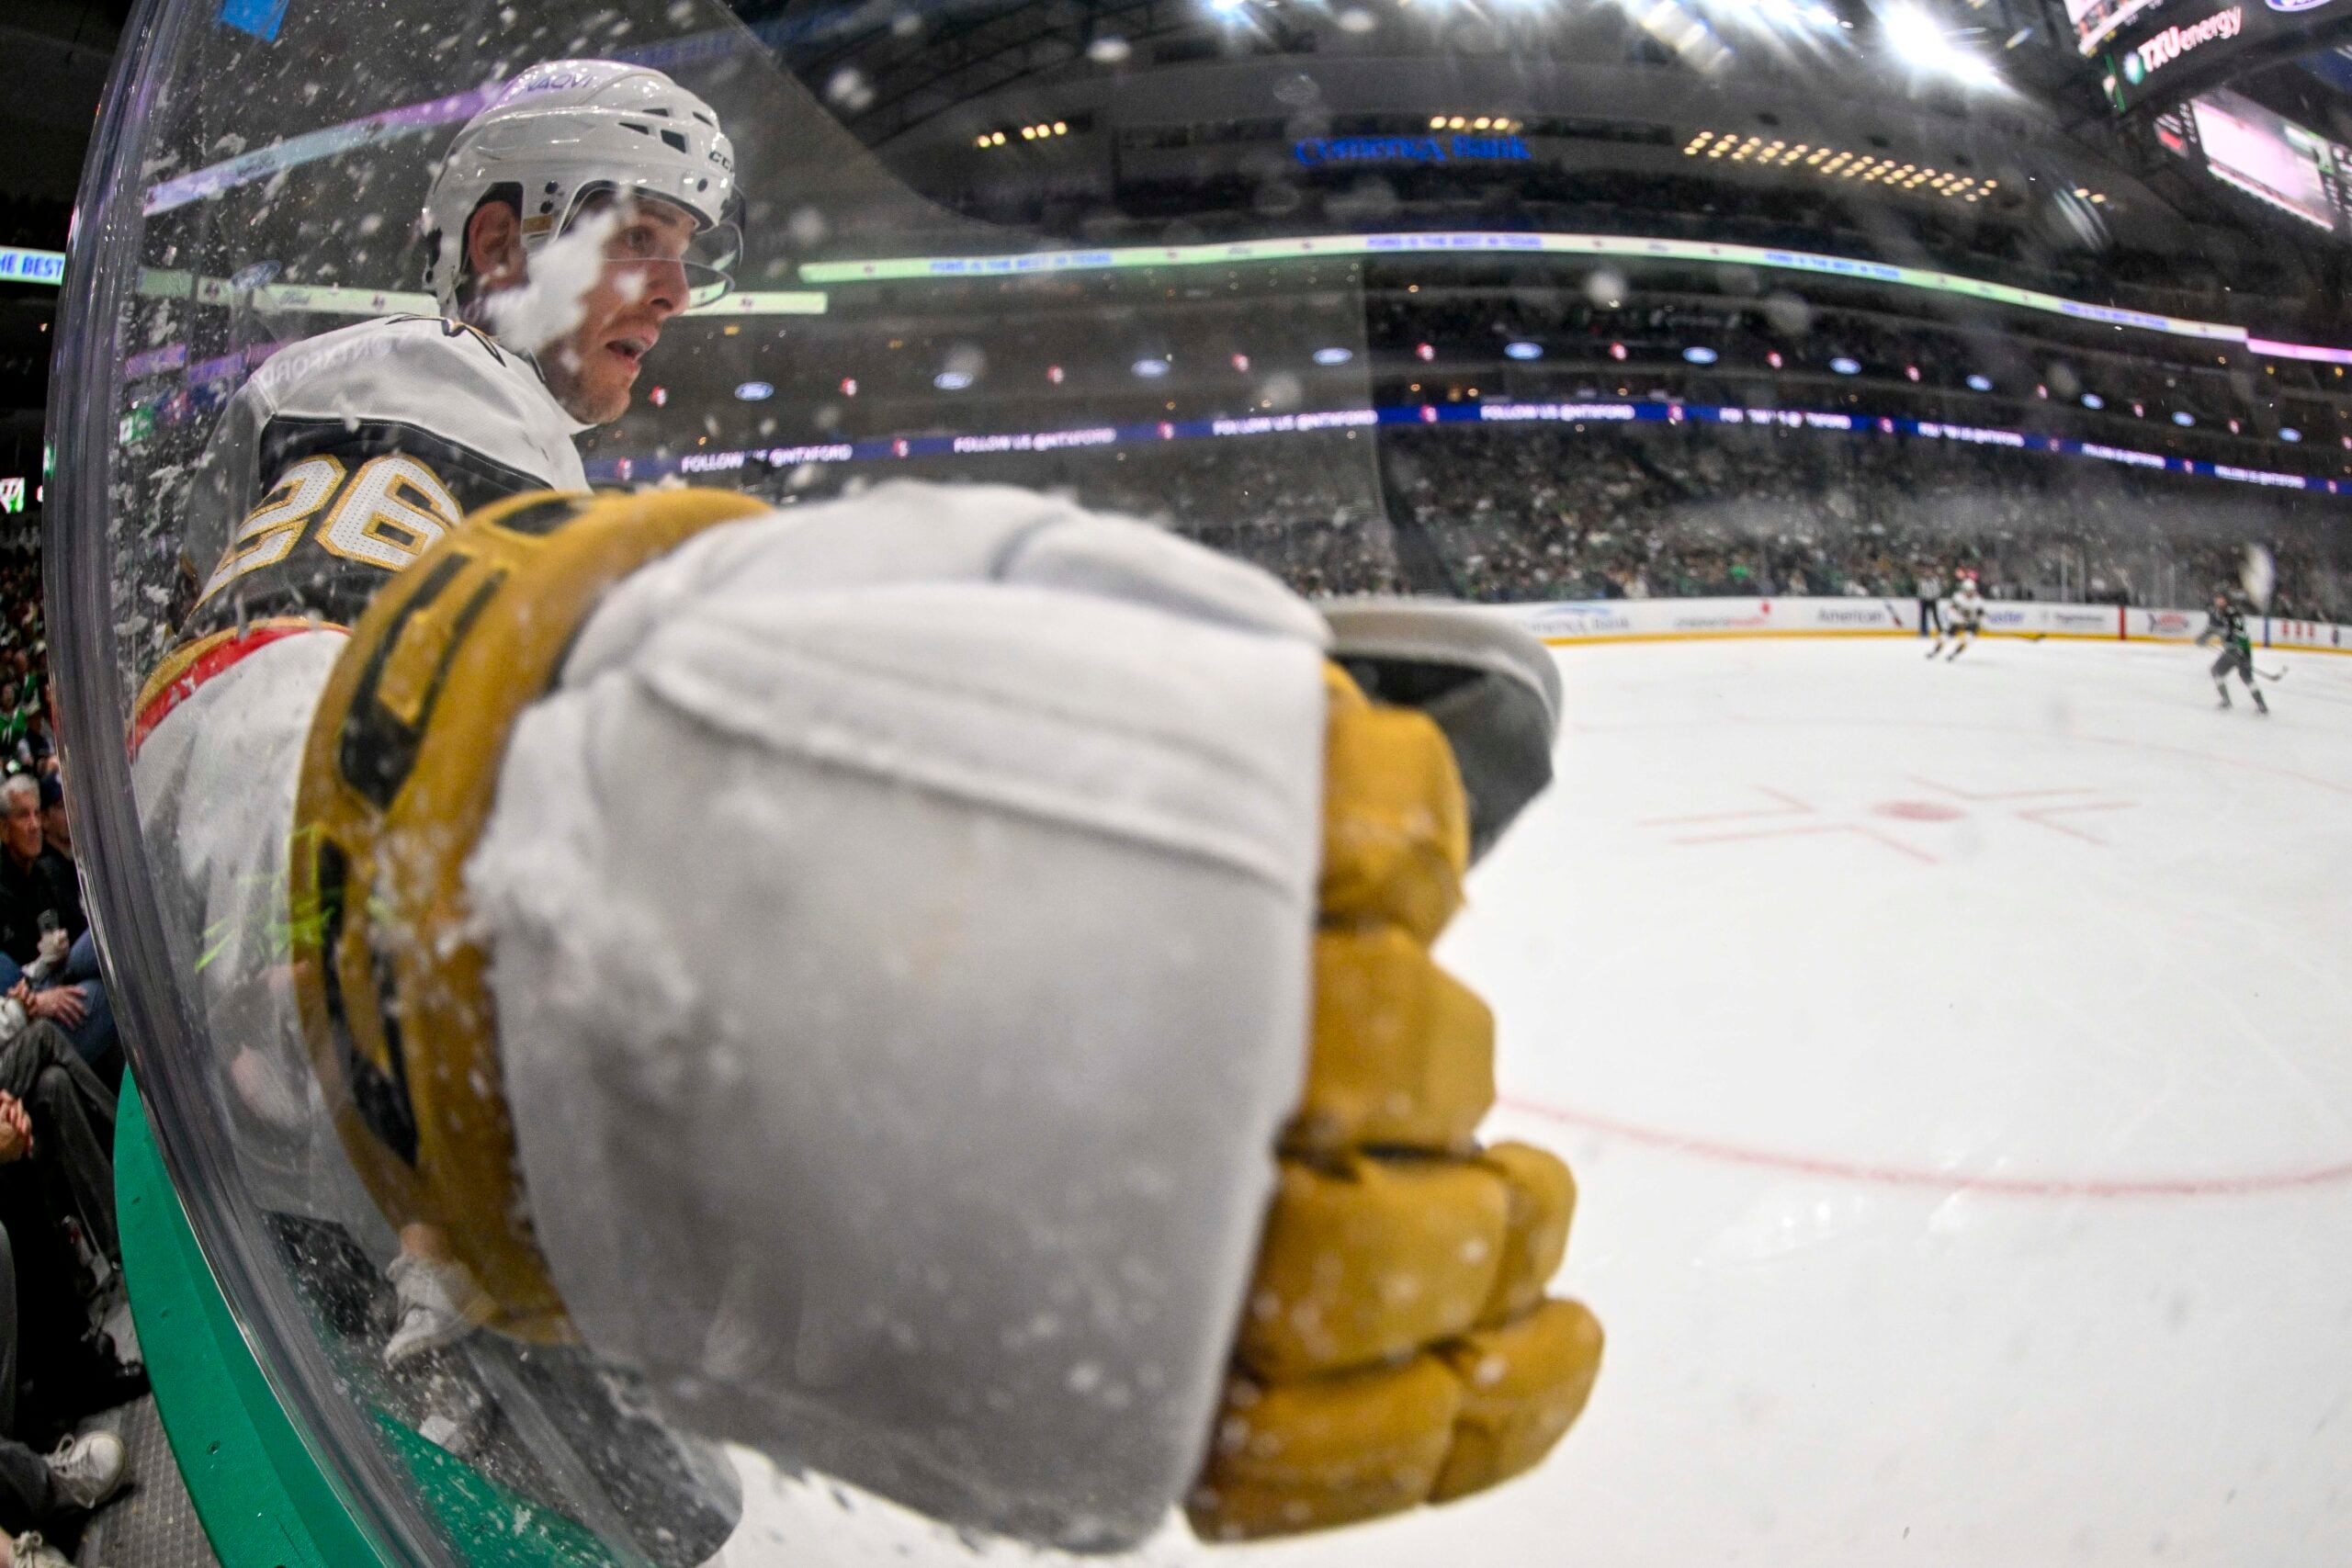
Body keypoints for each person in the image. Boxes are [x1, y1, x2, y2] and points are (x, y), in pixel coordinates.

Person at [130, 61, 1599, 1558]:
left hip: (284, 1178)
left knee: (663, 1492)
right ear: (501, 244)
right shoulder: (421, 389)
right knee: (658, 1502)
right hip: (328, 1181)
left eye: (691, 251)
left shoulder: (393, 428)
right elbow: (265, 724)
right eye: (640, 236)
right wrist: (518, 987)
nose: (674, 286)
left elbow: (230, 705)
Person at [2199, 591, 2268, 713]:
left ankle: (2261, 704)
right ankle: (2227, 700)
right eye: (2217, 599)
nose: (2219, 601)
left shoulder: (2234, 614)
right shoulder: (2215, 614)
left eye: (2222, 599)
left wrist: (2244, 653)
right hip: (2230, 650)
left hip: (2239, 650)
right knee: (2216, 671)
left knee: (2246, 677)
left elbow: (2241, 633)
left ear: (2227, 600)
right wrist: (2202, 639)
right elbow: (2211, 630)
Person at [1929, 570, 1984, 661]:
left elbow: (1981, 614)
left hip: (1972, 623)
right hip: (1958, 621)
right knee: (1944, 637)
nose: (1970, 593)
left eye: (1972, 590)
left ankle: (1954, 654)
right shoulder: (1958, 597)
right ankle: (1935, 651)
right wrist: (1959, 620)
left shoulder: (1978, 600)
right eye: (1968, 591)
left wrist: (1978, 621)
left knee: (1968, 639)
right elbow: (1951, 610)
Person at [1917, 565, 1943, 637]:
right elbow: (1920, 590)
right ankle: (1923, 631)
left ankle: (1940, 631)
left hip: (1933, 600)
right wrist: (1921, 597)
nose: (1928, 573)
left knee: (1935, 616)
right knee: (1923, 617)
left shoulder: (1935, 580)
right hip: (1924, 600)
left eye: (1929, 572)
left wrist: (1935, 597)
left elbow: (1938, 590)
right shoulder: (1921, 581)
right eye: (1926, 572)